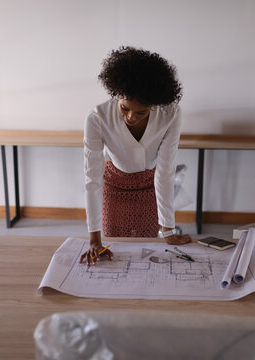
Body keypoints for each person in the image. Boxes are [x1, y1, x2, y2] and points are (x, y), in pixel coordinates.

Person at [80, 46, 191, 265]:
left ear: (155, 104)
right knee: (113, 248)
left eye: (141, 112)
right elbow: (92, 179)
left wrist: (168, 229)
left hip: (150, 187)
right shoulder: (97, 117)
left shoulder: (171, 113)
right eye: (124, 108)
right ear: (116, 94)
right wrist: (94, 239)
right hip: (114, 185)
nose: (131, 117)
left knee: (146, 252)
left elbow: (165, 171)